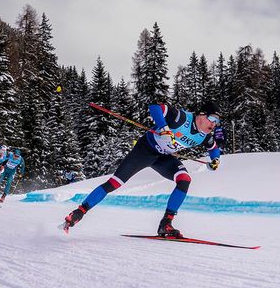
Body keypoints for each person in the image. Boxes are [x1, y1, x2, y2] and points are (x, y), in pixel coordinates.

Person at [62, 101, 223, 238]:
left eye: (216, 121)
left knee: (184, 180)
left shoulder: (204, 135)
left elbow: (213, 148)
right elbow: (155, 107)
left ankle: (165, 224)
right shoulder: (181, 118)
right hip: (145, 151)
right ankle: (79, 211)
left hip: (163, 157)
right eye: (212, 119)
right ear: (201, 115)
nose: (213, 124)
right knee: (114, 183)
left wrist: (215, 160)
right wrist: (164, 127)